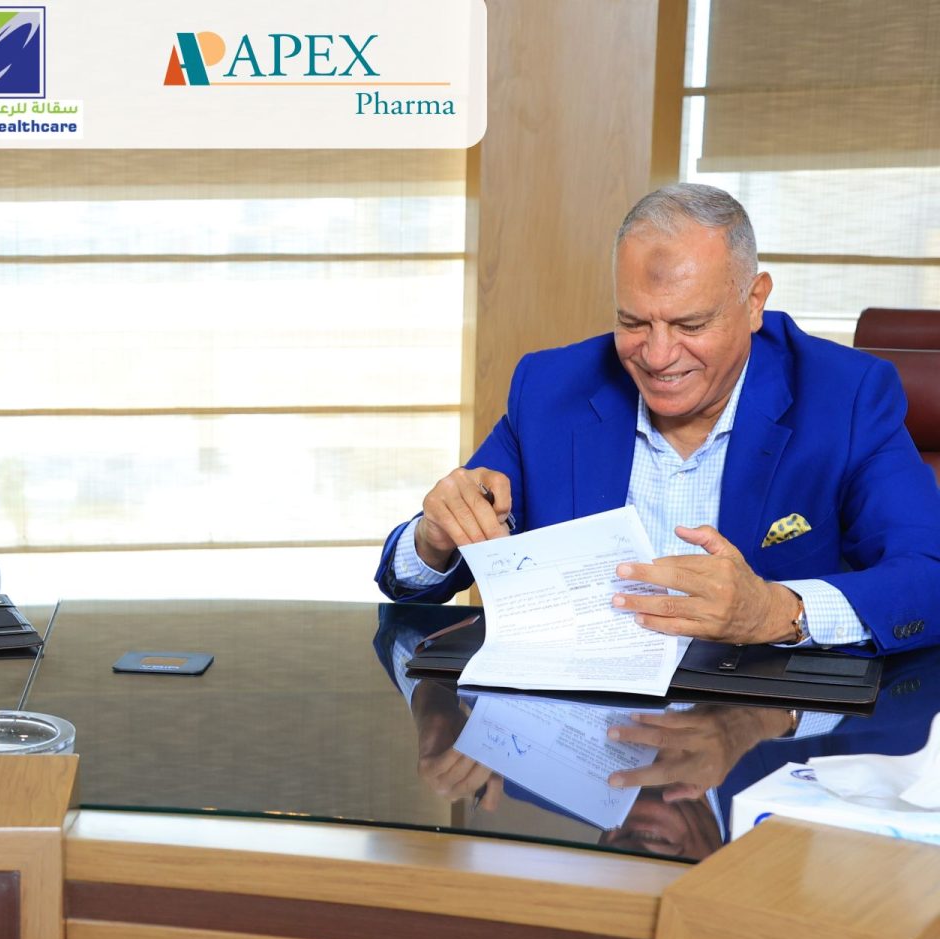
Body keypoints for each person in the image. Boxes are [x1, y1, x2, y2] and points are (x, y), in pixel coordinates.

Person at [376, 183, 940, 654]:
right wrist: (433, 536)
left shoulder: (846, 397)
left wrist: (777, 611)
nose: (658, 355)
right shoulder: (552, 388)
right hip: (582, 721)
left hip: (764, 728)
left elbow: (928, 573)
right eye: (634, 322)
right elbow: (421, 580)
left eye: (690, 325)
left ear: (754, 301)